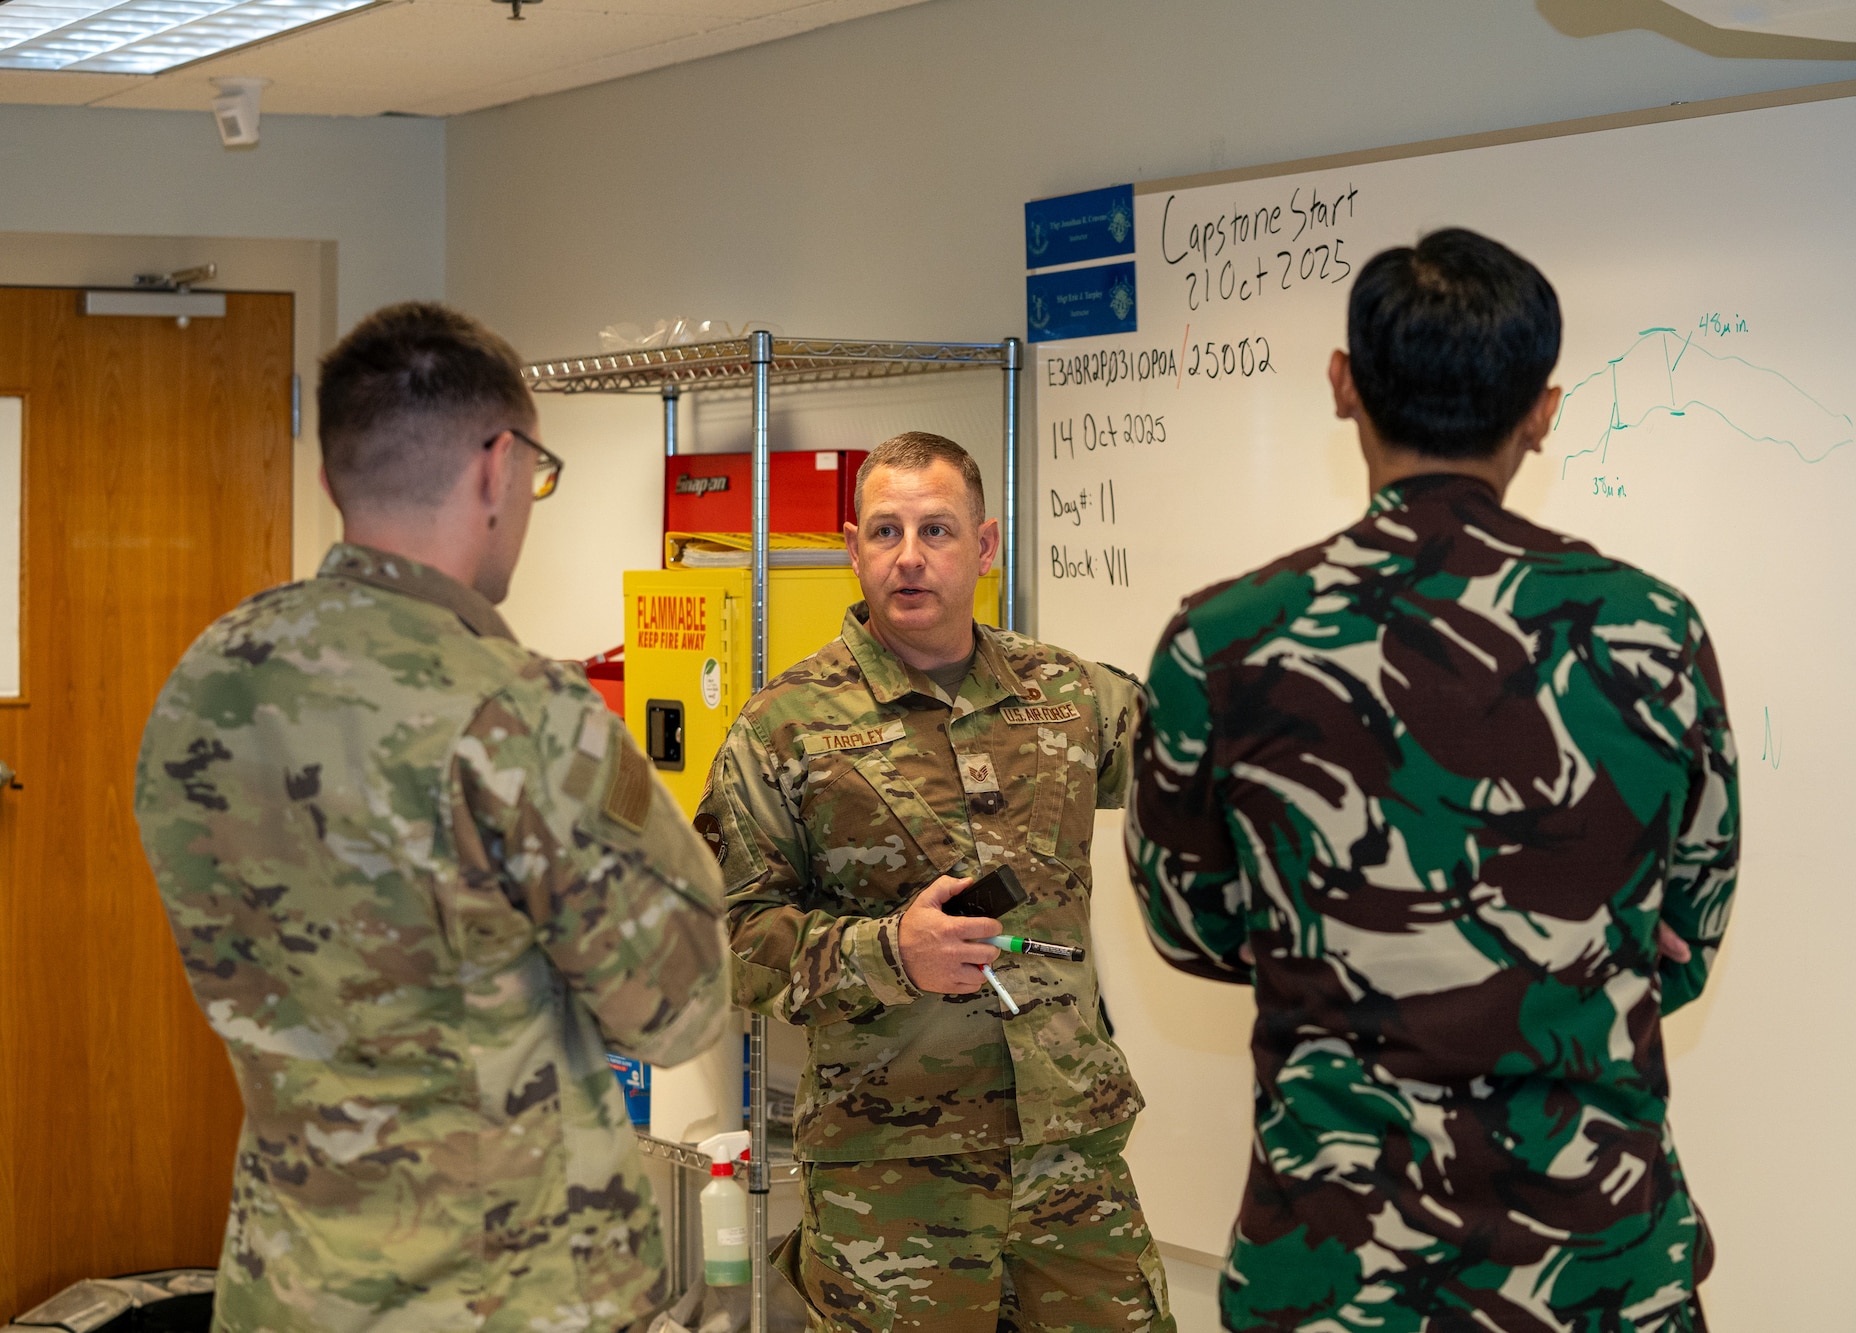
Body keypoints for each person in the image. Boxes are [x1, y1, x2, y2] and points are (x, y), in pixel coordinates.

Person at [1125, 230, 1740, 1333]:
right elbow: (1686, 935)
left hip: (1336, 1266)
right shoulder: (1652, 630)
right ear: (1542, 411)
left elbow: (1189, 925)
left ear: (1342, 384)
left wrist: (1341, 937)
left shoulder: (1222, 642)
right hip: (1597, 1265)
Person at [132, 302, 729, 1333]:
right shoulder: (518, 713)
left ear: (333, 480)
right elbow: (680, 1007)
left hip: (290, 1290)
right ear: (499, 466)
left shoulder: (209, 678)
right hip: (505, 1295)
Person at [695, 432, 1173, 1333]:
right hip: (891, 1186)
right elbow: (717, 939)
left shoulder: (1066, 694)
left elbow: (1208, 755)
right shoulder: (785, 729)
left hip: (1072, 1166)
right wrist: (887, 952)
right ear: (854, 548)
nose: (909, 556)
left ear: (984, 546)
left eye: (936, 530)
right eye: (886, 531)